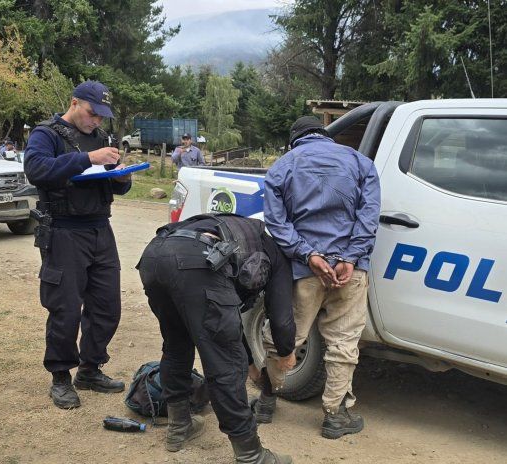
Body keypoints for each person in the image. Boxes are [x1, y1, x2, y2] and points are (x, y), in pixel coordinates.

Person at [138, 213, 296, 463]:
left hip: (154, 255)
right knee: (225, 364)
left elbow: (229, 321)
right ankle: (250, 454)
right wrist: (287, 351)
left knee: (176, 345)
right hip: (197, 262)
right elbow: (281, 317)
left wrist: (252, 364)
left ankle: (179, 427)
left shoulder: (240, 231)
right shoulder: (275, 252)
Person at [263, 116, 381, 439]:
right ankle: (334, 416)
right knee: (343, 342)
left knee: (286, 337)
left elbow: (276, 222)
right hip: (350, 273)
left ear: (295, 140)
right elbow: (369, 218)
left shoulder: (283, 166)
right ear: (325, 136)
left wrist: (308, 255)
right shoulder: (361, 163)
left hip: (304, 272)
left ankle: (266, 398)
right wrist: (350, 257)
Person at [24, 81, 132, 409]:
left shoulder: (99, 139)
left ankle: (90, 368)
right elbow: (36, 169)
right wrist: (87, 158)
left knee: (107, 305)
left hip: (100, 228)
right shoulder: (47, 134)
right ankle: (60, 376)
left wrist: (122, 178)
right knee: (65, 308)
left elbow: (111, 184)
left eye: (102, 116)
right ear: (74, 102)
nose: (97, 121)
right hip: (64, 231)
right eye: (92, 113)